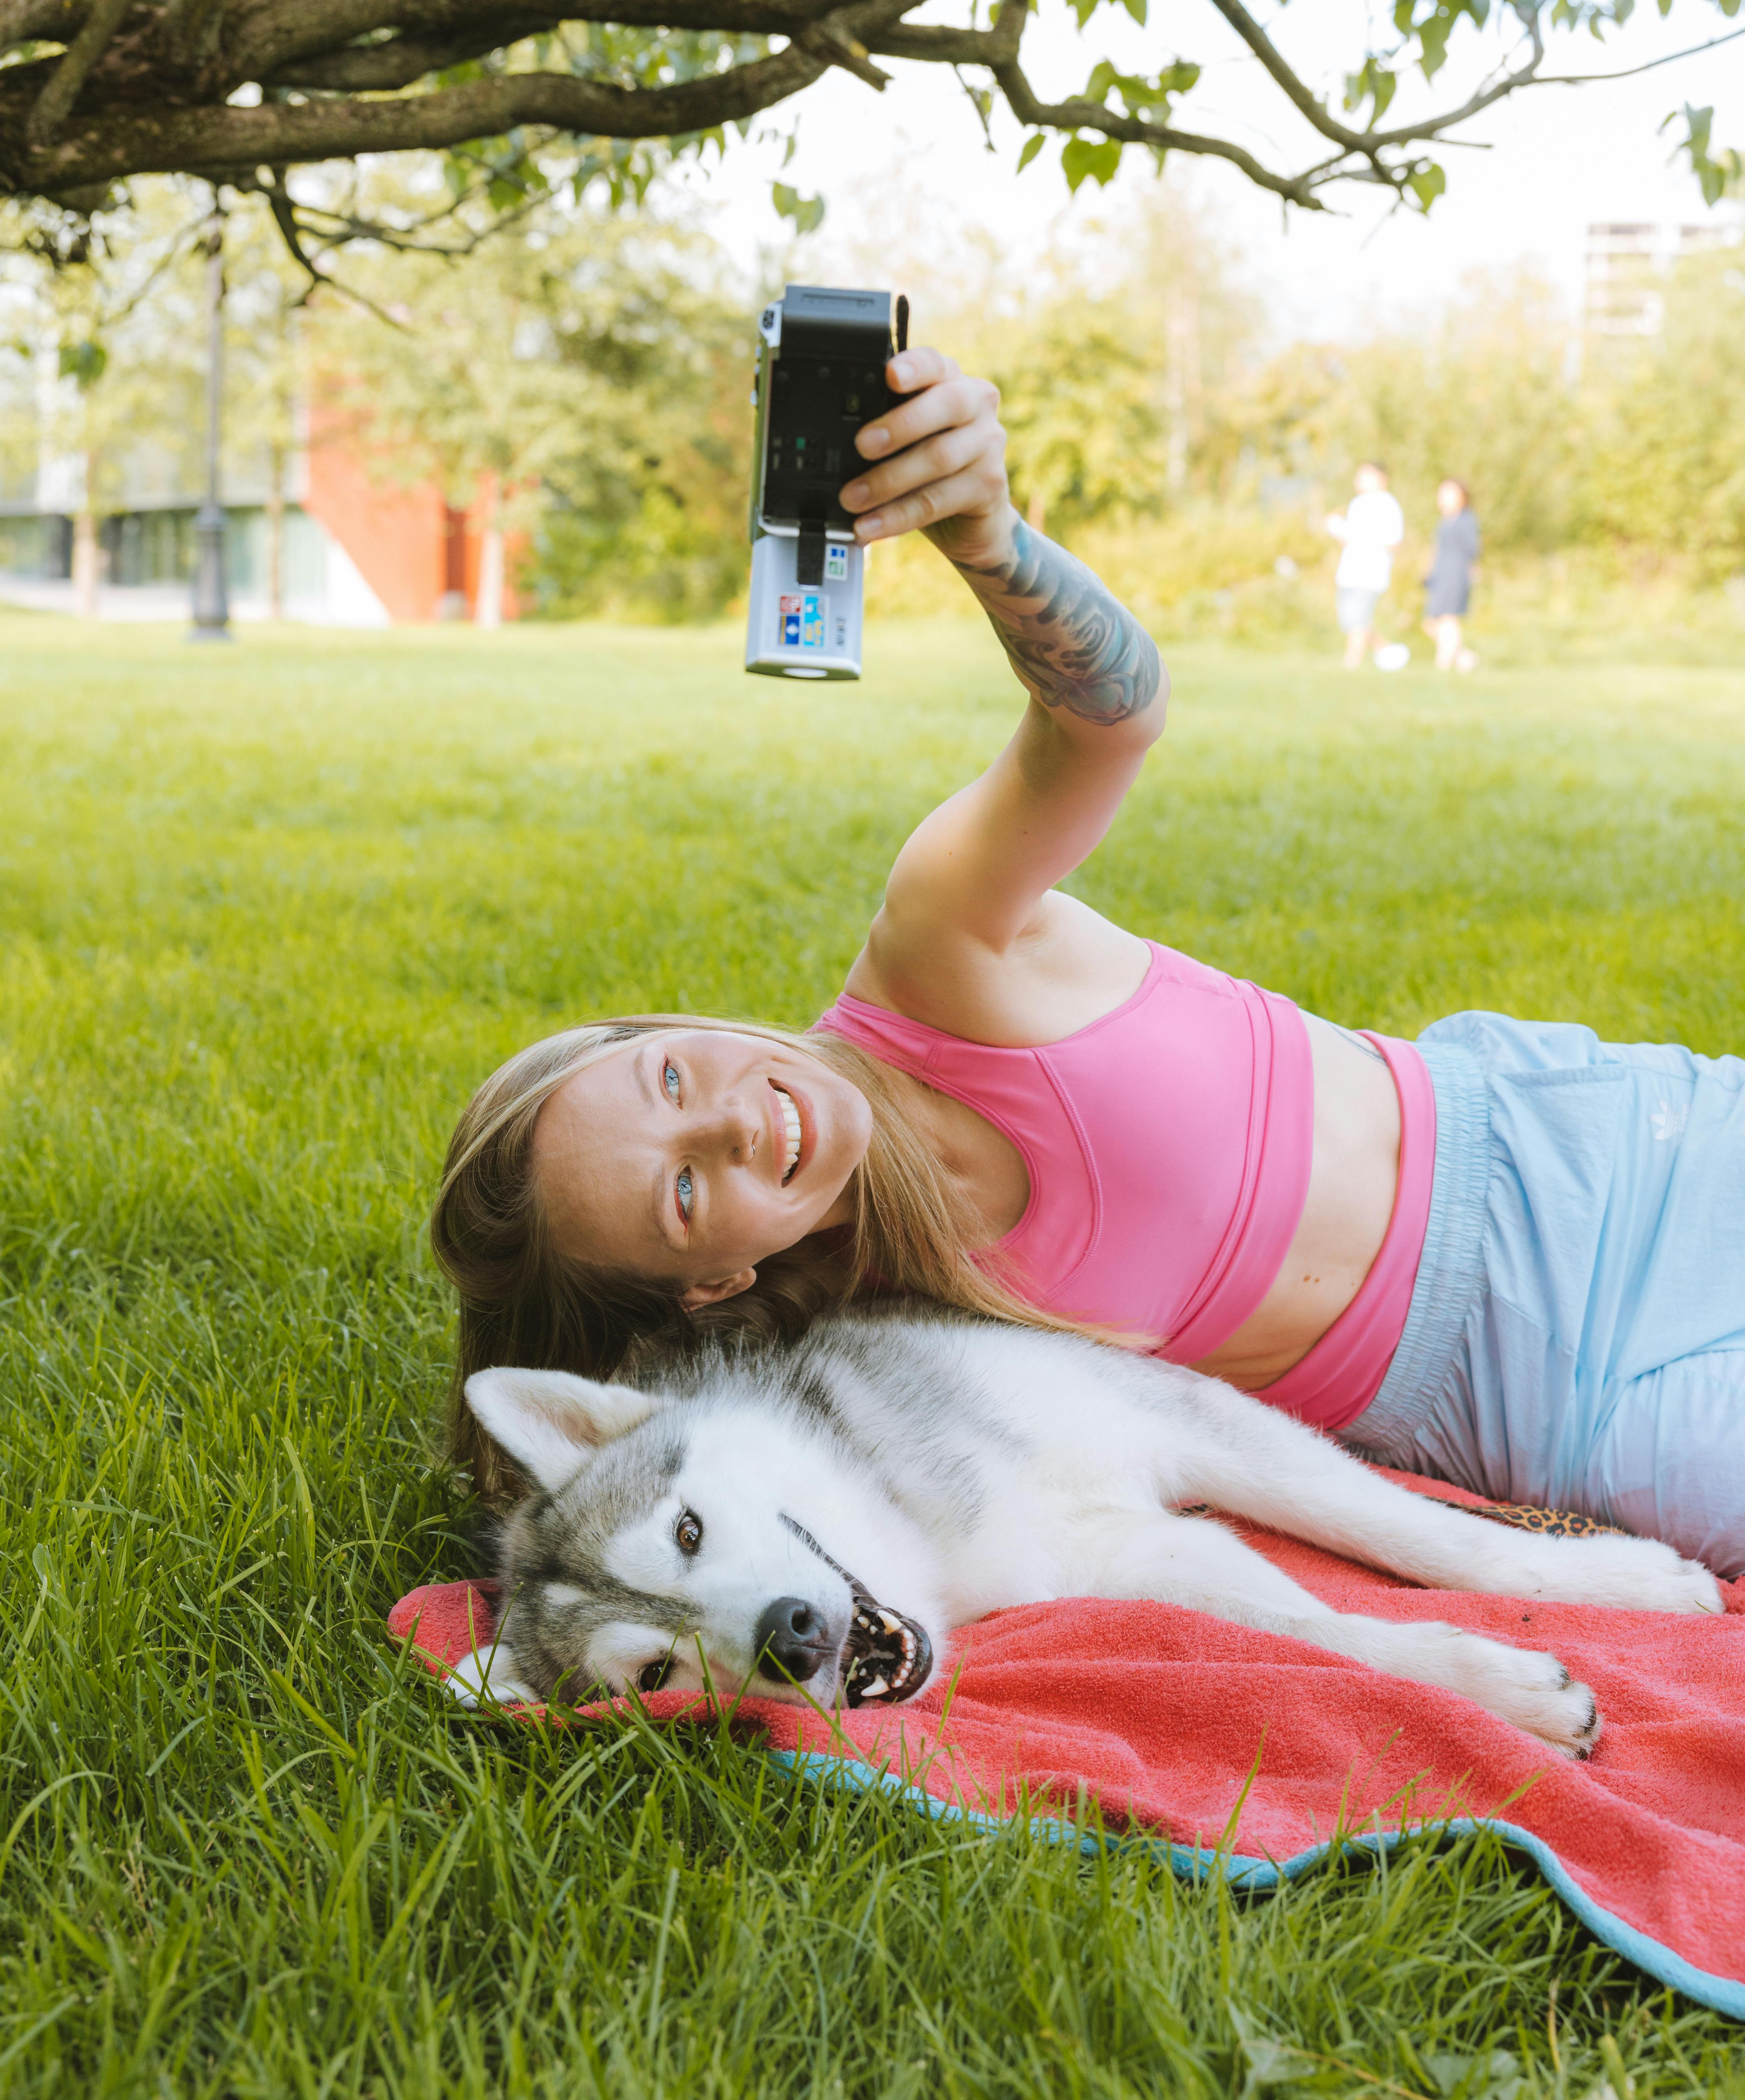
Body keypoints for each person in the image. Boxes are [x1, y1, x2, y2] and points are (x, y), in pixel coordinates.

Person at [433, 351, 1745, 1577]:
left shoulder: (936, 953)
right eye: (681, 1193)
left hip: (1581, 1156)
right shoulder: (885, 1357)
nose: (731, 1118)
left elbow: (1105, 720)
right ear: (712, 1280)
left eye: (671, 1081)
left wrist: (990, 541)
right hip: (1525, 1405)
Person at [1324, 461, 1405, 668]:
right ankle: (1389, 651)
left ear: (1380, 478)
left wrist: (1370, 536)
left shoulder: (1388, 505)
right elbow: (1350, 537)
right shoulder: (1357, 504)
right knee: (1352, 622)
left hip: (1371, 573)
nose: (1358, 481)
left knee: (1359, 622)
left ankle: (1351, 664)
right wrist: (1336, 527)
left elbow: (1394, 541)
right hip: (1349, 572)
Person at [1422, 477, 1480, 671]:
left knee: (1449, 619)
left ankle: (1443, 664)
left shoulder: (1466, 520)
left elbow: (1472, 550)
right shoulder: (1445, 521)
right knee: (1431, 622)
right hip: (1440, 575)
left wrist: (1470, 572)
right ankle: (1464, 656)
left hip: (1456, 575)